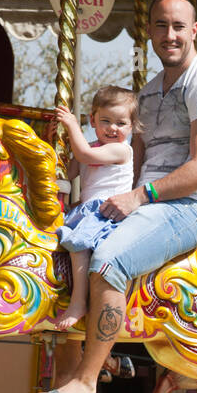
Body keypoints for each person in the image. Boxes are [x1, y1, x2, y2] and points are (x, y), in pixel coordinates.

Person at [31, 0, 197, 393]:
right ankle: (81, 364)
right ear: (150, 31)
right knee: (60, 248)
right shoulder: (146, 94)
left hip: (188, 207)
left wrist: (139, 197)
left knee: (108, 260)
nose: (170, 35)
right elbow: (133, 163)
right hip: (142, 202)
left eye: (179, 26)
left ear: (195, 31)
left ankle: (86, 384)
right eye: (162, 26)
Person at [54, 88, 137, 330]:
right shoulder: (91, 147)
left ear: (131, 127)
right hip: (86, 211)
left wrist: (71, 126)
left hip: (107, 213)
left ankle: (79, 302)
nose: (113, 128)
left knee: (78, 244)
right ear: (93, 120)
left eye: (121, 123)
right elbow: (64, 174)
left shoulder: (121, 150)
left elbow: (84, 154)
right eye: (106, 121)